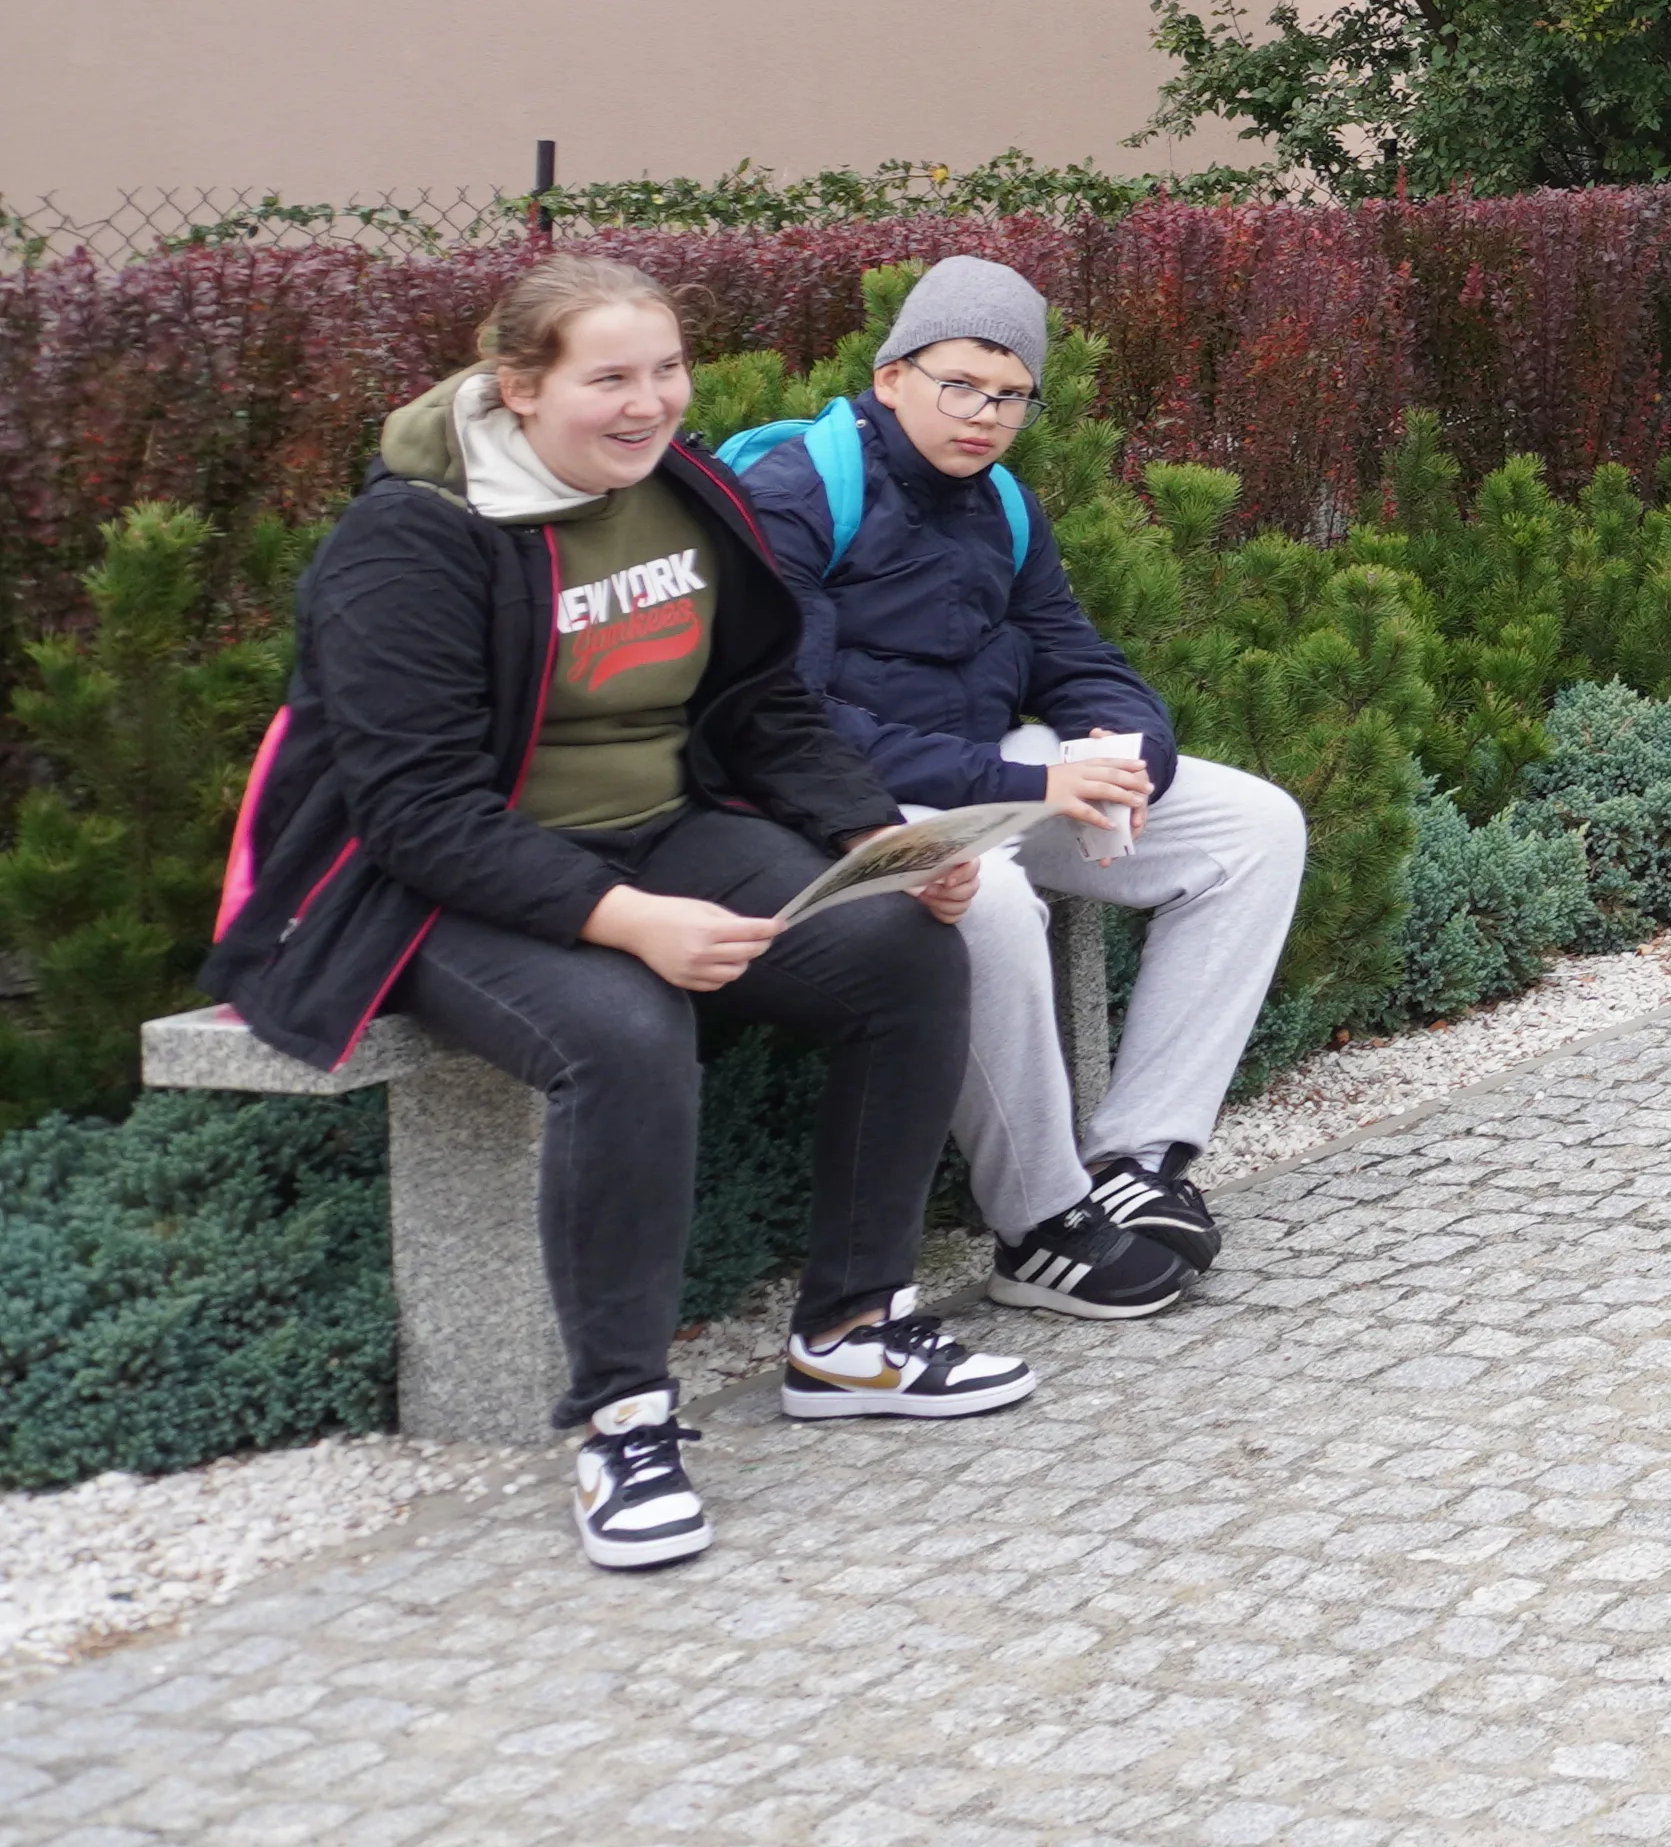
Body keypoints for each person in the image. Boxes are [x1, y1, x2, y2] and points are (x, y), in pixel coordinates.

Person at [204, 255, 1035, 1574]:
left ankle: (852, 1333)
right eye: (610, 377)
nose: (650, 403)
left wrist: (872, 836)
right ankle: (624, 1419)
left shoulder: (682, 492)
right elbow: (413, 811)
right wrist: (624, 919)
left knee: (901, 948)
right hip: (437, 883)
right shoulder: (412, 540)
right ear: (519, 387)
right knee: (627, 1031)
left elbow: (763, 703)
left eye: (667, 369)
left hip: (662, 825)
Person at [728, 257, 1306, 1323]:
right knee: (985, 893)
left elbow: (1072, 653)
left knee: (1255, 826)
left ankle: (1138, 1161)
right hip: (848, 804)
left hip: (995, 772)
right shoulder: (795, 497)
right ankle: (1041, 1223)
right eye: (960, 386)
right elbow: (791, 720)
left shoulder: (1001, 501)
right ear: (891, 375)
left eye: (1010, 396)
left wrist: (1129, 754)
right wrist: (1027, 778)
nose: (986, 416)